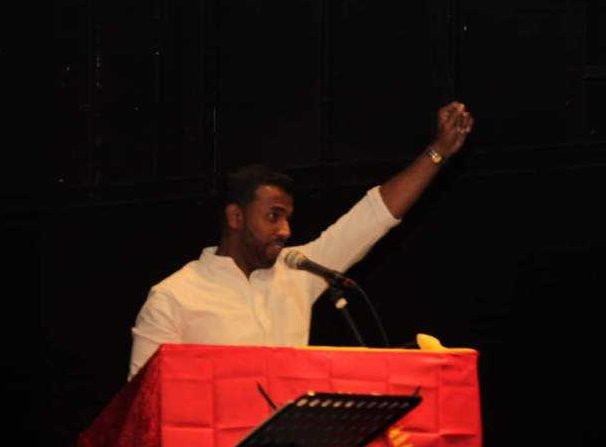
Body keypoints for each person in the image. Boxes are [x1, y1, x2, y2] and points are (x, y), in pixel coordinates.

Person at [128, 101, 474, 379]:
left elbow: (372, 219)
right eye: (273, 216)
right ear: (235, 217)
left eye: (288, 218)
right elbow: (143, 406)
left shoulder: (297, 273)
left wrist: (437, 153)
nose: (285, 230)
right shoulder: (174, 297)